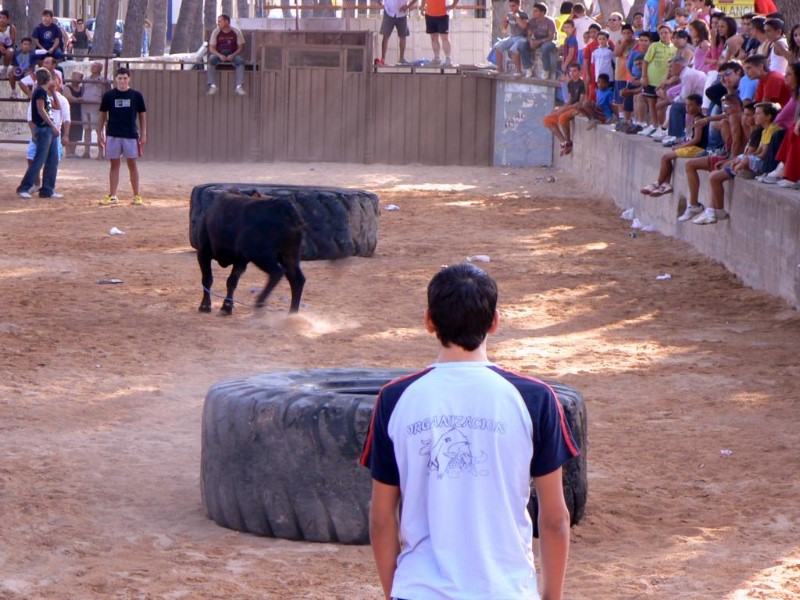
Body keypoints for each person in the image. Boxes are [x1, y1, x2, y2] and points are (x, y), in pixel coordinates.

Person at [360, 263, 578, 600]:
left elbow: (381, 518)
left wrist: (396, 593)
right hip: (506, 591)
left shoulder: (395, 398)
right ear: (495, 322)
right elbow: (554, 518)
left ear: (429, 321)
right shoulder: (535, 399)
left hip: (420, 590)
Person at [693, 101, 781, 224]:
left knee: (716, 176)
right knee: (715, 173)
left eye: (757, 114)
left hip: (762, 165)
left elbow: (762, 154)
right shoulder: (764, 130)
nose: (754, 117)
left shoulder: (771, 129)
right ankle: (712, 210)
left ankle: (718, 210)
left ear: (768, 116)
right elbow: (757, 152)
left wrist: (741, 161)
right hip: (753, 160)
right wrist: (736, 160)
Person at [679, 93, 746, 222]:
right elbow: (723, 117)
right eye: (723, 107)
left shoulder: (734, 117)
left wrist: (730, 159)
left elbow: (737, 142)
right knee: (694, 166)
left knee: (693, 166)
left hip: (734, 156)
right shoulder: (734, 115)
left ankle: (701, 207)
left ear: (738, 105)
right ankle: (701, 208)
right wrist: (708, 119)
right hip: (731, 154)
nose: (725, 110)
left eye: (727, 106)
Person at [640, 94, 708, 196]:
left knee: (665, 158)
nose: (687, 108)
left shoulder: (698, 118)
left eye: (690, 105)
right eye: (686, 105)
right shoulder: (693, 118)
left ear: (699, 106)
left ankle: (658, 183)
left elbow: (696, 139)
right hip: (693, 147)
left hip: (698, 149)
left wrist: (681, 147)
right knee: (667, 158)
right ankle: (666, 184)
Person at [98, 67, 147, 206]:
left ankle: (136, 196)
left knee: (132, 163)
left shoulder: (136, 95)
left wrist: (143, 133)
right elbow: (102, 115)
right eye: (120, 78)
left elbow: (142, 114)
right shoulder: (109, 96)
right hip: (113, 134)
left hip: (130, 134)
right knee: (114, 164)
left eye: (125, 78)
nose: (122, 81)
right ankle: (113, 195)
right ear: (115, 79)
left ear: (129, 79)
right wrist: (99, 132)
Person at [16, 69, 61, 199]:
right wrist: (53, 126)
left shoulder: (44, 92)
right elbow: (41, 110)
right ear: (48, 79)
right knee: (39, 160)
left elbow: (57, 107)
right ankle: (24, 187)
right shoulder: (40, 92)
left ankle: (48, 189)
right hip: (44, 129)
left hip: (48, 129)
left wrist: (53, 92)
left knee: (53, 159)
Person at [640, 23, 676, 137]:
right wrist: (644, 76)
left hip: (665, 81)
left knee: (661, 104)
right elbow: (645, 61)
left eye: (666, 33)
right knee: (651, 103)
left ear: (671, 34)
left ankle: (662, 127)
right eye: (661, 33)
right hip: (651, 79)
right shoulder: (654, 46)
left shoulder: (674, 48)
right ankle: (654, 125)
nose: (663, 35)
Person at [543, 62, 585, 155]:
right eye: (570, 71)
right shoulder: (570, 84)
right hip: (570, 106)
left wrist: (563, 110)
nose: (572, 73)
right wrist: (561, 108)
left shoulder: (582, 84)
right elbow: (569, 101)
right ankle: (564, 142)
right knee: (547, 120)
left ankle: (568, 142)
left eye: (574, 71)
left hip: (578, 108)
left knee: (562, 118)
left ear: (580, 72)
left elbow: (580, 103)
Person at [206, 14, 247, 96]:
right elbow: (211, 48)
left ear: (227, 22)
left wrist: (233, 55)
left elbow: (241, 47)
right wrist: (219, 55)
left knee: (240, 61)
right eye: (218, 22)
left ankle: (239, 86)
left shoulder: (236, 32)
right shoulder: (216, 32)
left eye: (220, 21)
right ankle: (213, 86)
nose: (218, 23)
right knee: (211, 60)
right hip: (219, 54)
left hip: (233, 54)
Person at [490, 0, 529, 75]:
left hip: (522, 37)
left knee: (513, 49)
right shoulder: (509, 15)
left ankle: (518, 71)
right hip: (512, 37)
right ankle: (500, 69)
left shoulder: (523, 14)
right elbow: (504, 30)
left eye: (513, 6)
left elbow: (524, 26)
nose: (511, 8)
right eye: (510, 6)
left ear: (519, 5)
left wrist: (517, 17)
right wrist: (504, 23)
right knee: (497, 47)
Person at [81, 61, 109, 159]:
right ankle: (86, 152)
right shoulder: (86, 79)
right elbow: (83, 91)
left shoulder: (103, 81)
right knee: (87, 129)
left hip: (97, 107)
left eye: (95, 66)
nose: (93, 68)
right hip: (85, 106)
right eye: (92, 66)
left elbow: (106, 93)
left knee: (99, 129)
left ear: (100, 69)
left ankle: (100, 152)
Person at [524, 2, 558, 78]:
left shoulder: (549, 21)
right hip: (537, 39)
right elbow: (529, 35)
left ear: (542, 12)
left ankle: (546, 70)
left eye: (536, 11)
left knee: (544, 47)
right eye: (533, 10)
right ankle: (529, 67)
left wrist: (539, 42)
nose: (533, 12)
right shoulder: (532, 21)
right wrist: (531, 41)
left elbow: (551, 37)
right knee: (522, 44)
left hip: (549, 40)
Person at [378, 0, 416, 66]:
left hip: (402, 13)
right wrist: (380, 3)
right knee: (385, 35)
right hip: (389, 12)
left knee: (403, 36)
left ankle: (401, 59)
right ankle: (383, 58)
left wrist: (408, 6)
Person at [420, 0, 458, 66]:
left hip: (443, 14)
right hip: (429, 14)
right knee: (433, 38)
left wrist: (453, 5)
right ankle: (436, 58)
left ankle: (448, 58)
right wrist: (422, 7)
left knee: (444, 37)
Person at [63, 71, 83, 158]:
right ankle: (68, 151)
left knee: (77, 130)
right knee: (68, 129)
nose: (73, 79)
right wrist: (78, 99)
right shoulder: (67, 87)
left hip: (78, 111)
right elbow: (68, 97)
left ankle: (73, 151)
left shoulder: (81, 89)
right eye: (72, 77)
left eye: (76, 78)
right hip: (69, 110)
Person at [0, 10, 16, 77]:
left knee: (10, 51)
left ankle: (5, 69)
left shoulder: (11, 27)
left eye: (3, 18)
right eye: (0, 17)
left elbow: (12, 41)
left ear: (7, 19)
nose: (1, 19)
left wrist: (3, 46)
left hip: (8, 47)